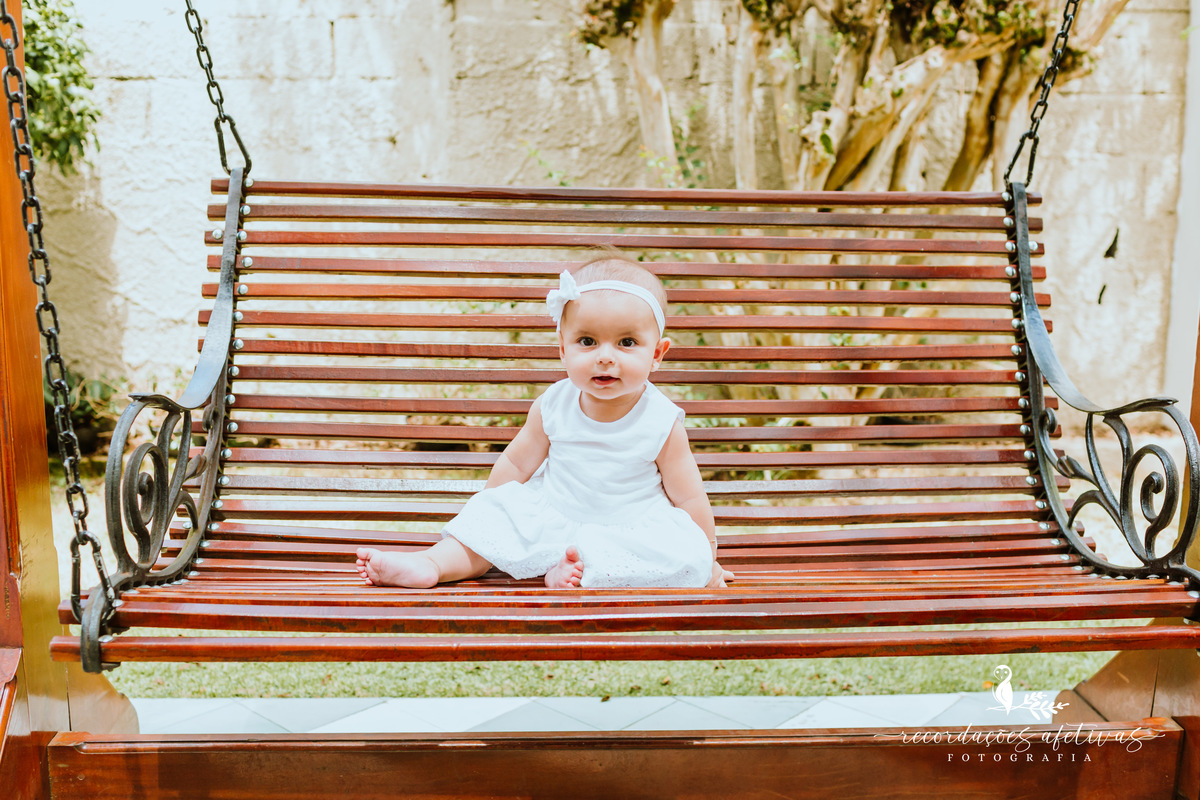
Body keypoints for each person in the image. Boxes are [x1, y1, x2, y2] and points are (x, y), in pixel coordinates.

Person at [355, 254, 733, 590]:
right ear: (562, 348)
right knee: (489, 527)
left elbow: (688, 497)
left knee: (681, 556)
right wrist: (491, 512)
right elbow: (517, 463)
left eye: (627, 343)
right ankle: (431, 564)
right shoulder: (554, 404)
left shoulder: (662, 420)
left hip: (627, 527)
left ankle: (569, 570)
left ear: (658, 354)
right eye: (587, 341)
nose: (605, 357)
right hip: (552, 514)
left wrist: (707, 556)